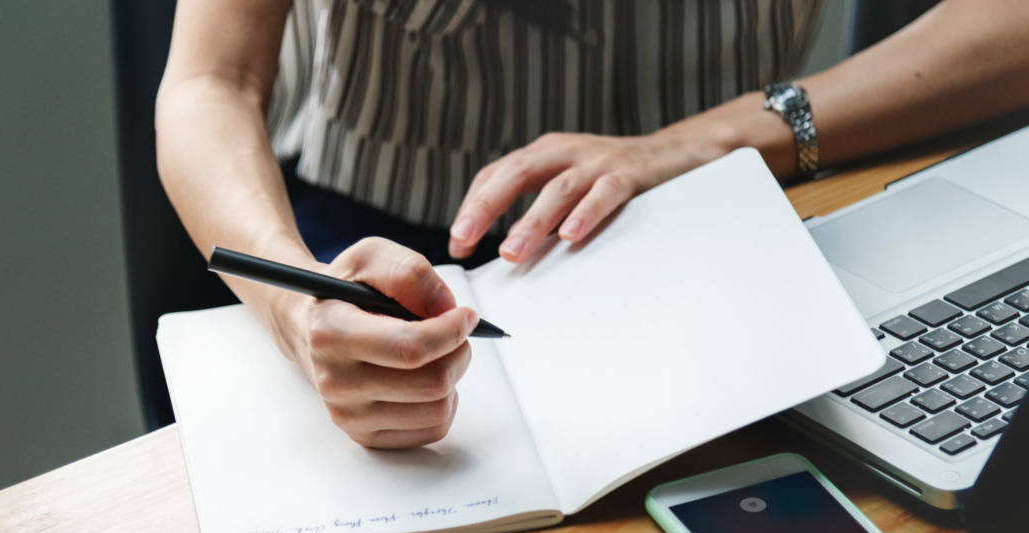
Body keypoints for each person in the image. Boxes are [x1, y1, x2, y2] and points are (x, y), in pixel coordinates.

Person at [155, 0, 1029, 449]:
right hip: (367, 254)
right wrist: (294, 307)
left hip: (735, 213)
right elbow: (209, 86)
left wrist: (716, 140)